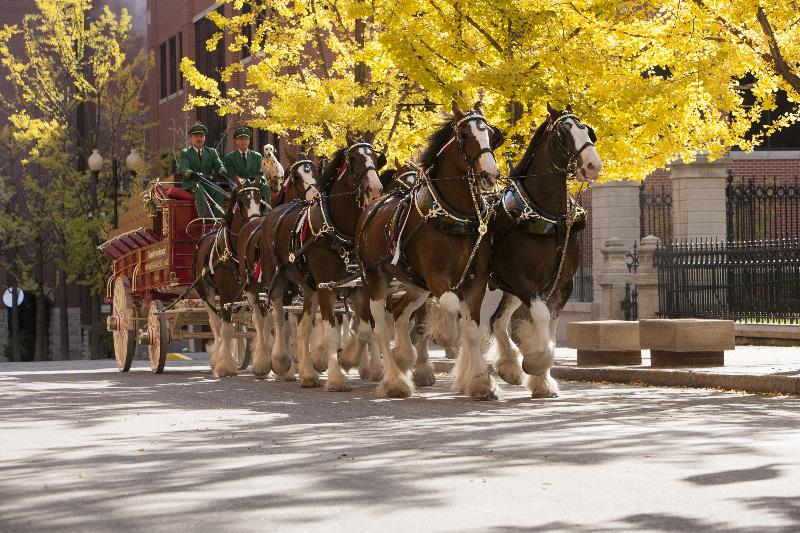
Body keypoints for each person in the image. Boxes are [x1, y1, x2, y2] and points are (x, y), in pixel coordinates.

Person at [178, 123, 228, 218]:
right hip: (191, 182)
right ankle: (204, 216)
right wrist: (191, 173)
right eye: (196, 136)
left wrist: (222, 170)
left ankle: (219, 219)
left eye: (201, 136)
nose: (199, 139)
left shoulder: (211, 152)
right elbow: (182, 168)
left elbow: (219, 165)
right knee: (199, 188)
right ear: (191, 138)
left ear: (204, 138)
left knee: (219, 191)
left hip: (207, 181)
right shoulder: (185, 153)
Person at [223, 126, 271, 211]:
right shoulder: (229, 157)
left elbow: (260, 172)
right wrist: (241, 181)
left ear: (249, 141)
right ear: (236, 141)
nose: (244, 141)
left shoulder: (257, 156)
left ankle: (265, 213)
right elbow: (231, 174)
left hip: (254, 184)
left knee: (265, 188)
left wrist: (258, 181)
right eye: (241, 139)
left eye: (246, 139)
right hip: (238, 185)